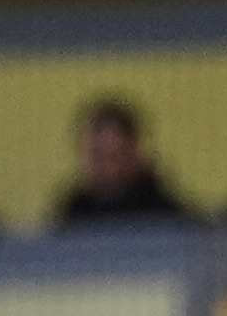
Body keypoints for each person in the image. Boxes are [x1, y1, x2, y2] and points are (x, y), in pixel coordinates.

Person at [49, 94, 187, 225]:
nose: (106, 168)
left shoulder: (162, 214)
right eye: (97, 156)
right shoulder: (75, 211)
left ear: (134, 150)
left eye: (113, 156)